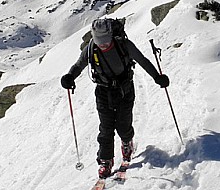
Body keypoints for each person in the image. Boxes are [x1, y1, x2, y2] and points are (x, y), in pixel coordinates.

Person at [60, 18, 169, 179]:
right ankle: (105, 161)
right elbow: (79, 65)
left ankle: (127, 143)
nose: (102, 44)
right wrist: (70, 76)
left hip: (125, 90)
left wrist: (157, 77)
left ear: (111, 35)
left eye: (105, 41)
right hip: (103, 92)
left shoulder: (124, 45)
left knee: (123, 124)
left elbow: (143, 61)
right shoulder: (91, 48)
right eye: (99, 41)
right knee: (106, 128)